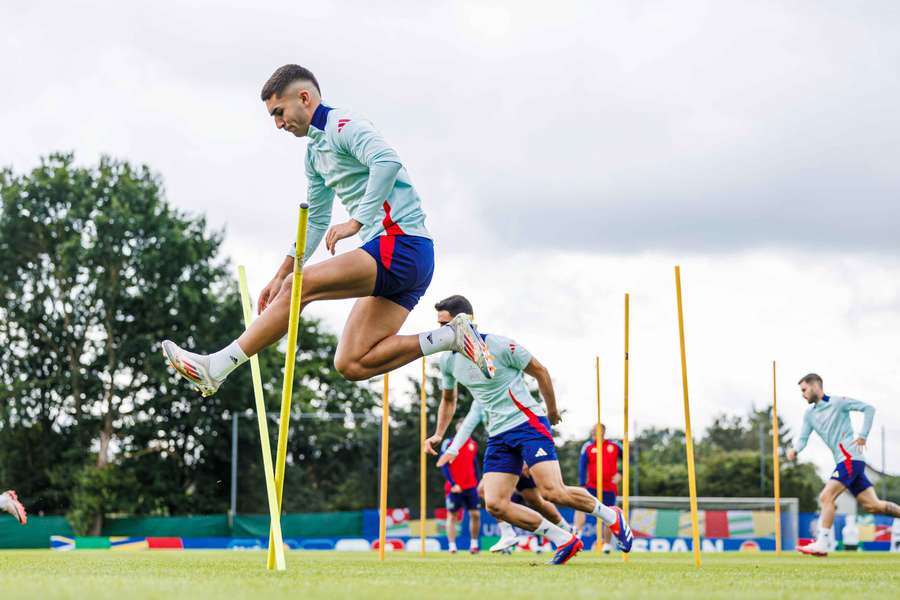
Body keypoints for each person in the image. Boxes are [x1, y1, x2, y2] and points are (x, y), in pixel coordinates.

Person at [162, 64, 493, 396]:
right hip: (399, 258)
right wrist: (280, 273)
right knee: (351, 362)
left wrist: (356, 221)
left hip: (402, 244)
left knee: (300, 287)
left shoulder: (342, 125)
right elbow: (317, 219)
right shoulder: (313, 154)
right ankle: (450, 337)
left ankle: (217, 367)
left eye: (279, 112)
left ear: (304, 98)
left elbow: (387, 162)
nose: (278, 123)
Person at [424, 295, 632, 565]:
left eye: (446, 324)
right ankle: (563, 539)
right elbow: (448, 400)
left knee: (552, 492)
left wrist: (552, 410)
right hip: (498, 436)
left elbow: (540, 371)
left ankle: (611, 516)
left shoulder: (499, 344)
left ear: (465, 322)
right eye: (438, 324)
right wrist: (440, 434)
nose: (441, 331)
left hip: (527, 424)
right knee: (495, 503)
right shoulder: (449, 362)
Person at [787, 373, 900, 556]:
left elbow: (868, 409)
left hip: (850, 459)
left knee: (825, 497)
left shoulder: (838, 403)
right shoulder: (809, 415)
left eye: (804, 390)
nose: (803, 394)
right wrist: (794, 450)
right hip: (847, 462)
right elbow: (802, 439)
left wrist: (862, 435)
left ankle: (822, 544)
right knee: (873, 505)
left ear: (816, 386)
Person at [440, 401, 575, 553]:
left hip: (522, 454)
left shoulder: (510, 394)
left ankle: (565, 528)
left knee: (537, 500)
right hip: (504, 457)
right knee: (485, 492)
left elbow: (526, 425)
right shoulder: (483, 402)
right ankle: (507, 533)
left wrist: (527, 459)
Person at [573, 424, 622, 553]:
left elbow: (629, 458)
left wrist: (620, 473)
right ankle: (577, 534)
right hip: (592, 486)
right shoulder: (588, 446)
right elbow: (582, 465)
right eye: (593, 430)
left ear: (603, 431)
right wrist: (582, 483)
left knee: (608, 514)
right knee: (579, 506)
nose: (594, 432)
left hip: (609, 487)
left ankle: (606, 544)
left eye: (596, 430)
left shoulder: (615, 445)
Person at [439, 420, 481, 554]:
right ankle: (452, 546)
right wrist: (453, 483)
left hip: (471, 486)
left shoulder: (473, 444)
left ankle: (474, 545)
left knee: (475, 514)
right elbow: (444, 465)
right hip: (454, 487)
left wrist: (478, 482)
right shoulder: (449, 443)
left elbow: (475, 466)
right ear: (457, 429)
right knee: (452, 516)